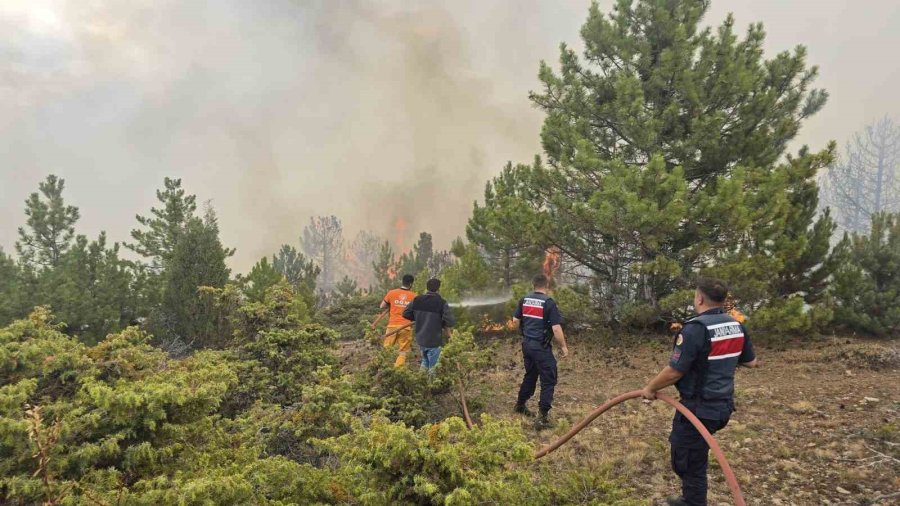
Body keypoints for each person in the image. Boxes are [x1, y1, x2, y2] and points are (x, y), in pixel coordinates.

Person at [641, 277, 759, 506]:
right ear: (723, 301)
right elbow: (751, 362)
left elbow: (675, 371)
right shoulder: (737, 326)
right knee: (695, 451)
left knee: (685, 460)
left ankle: (693, 503)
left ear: (700, 298)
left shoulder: (696, 329)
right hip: (722, 406)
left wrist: (650, 388)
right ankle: (691, 499)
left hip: (698, 408)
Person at [513, 274, 569, 430]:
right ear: (547, 285)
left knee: (530, 375)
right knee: (549, 379)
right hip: (540, 347)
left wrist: (524, 334)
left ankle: (520, 405)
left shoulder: (524, 300)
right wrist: (563, 347)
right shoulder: (549, 303)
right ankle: (543, 417)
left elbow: (515, 321)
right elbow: (556, 328)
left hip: (527, 345)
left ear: (533, 285)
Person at [403, 278, 455, 373]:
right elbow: (450, 321)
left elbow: (406, 313)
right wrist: (441, 322)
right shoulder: (441, 303)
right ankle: (431, 386)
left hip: (421, 339)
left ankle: (420, 382)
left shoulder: (417, 299)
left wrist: (418, 318)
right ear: (438, 289)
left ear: (427, 288)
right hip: (434, 340)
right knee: (433, 367)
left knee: (425, 361)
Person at [380, 274, 416, 367]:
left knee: (387, 349)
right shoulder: (414, 296)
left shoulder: (392, 293)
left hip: (392, 326)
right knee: (403, 351)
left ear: (402, 281)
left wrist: (393, 304)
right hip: (406, 327)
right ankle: (398, 370)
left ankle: (384, 368)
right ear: (411, 284)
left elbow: (382, 306)